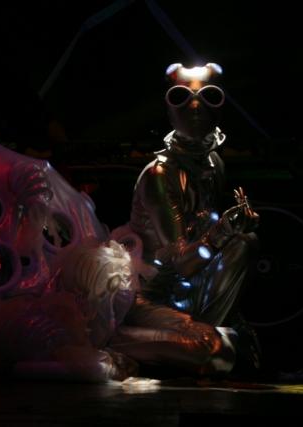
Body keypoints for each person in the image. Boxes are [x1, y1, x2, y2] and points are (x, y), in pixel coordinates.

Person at [109, 63, 261, 375]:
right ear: (168, 110)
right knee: (212, 349)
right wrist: (222, 231)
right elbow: (182, 262)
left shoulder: (213, 164)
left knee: (245, 243)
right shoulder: (159, 175)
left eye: (208, 96)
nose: (195, 106)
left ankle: (203, 336)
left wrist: (234, 229)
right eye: (181, 97)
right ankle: (110, 342)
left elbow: (202, 254)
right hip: (148, 296)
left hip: (187, 290)